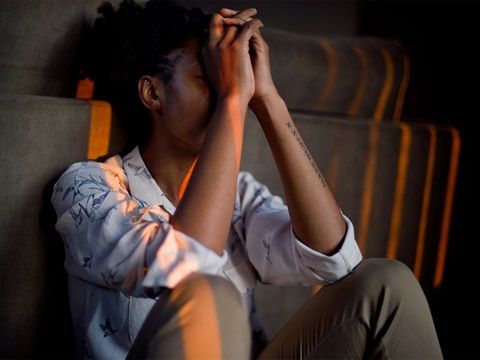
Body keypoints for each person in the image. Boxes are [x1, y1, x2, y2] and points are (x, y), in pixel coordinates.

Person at [51, 0, 443, 359]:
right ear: (153, 93)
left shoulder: (240, 194)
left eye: (233, 80)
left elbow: (337, 261)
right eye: (211, 78)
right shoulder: (88, 189)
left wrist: (267, 98)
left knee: (387, 283)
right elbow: (190, 265)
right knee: (208, 294)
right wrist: (235, 98)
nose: (226, 91)